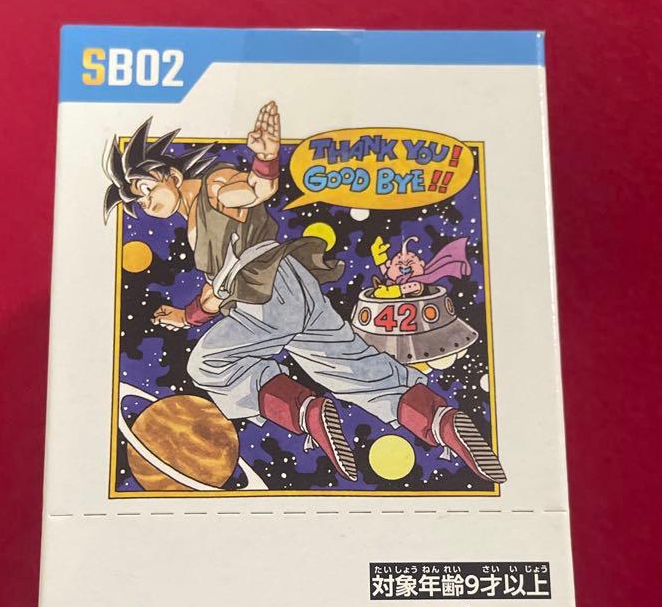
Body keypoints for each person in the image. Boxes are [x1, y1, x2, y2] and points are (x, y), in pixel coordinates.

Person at [103, 102, 506, 484]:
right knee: (355, 368)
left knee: (209, 364)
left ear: (170, 175)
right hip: (294, 286)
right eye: (138, 201)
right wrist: (185, 316)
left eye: (146, 187)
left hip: (267, 295)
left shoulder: (214, 187)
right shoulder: (195, 218)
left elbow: (255, 191)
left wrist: (265, 158)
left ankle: (305, 412)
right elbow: (216, 292)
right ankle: (441, 421)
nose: (146, 202)